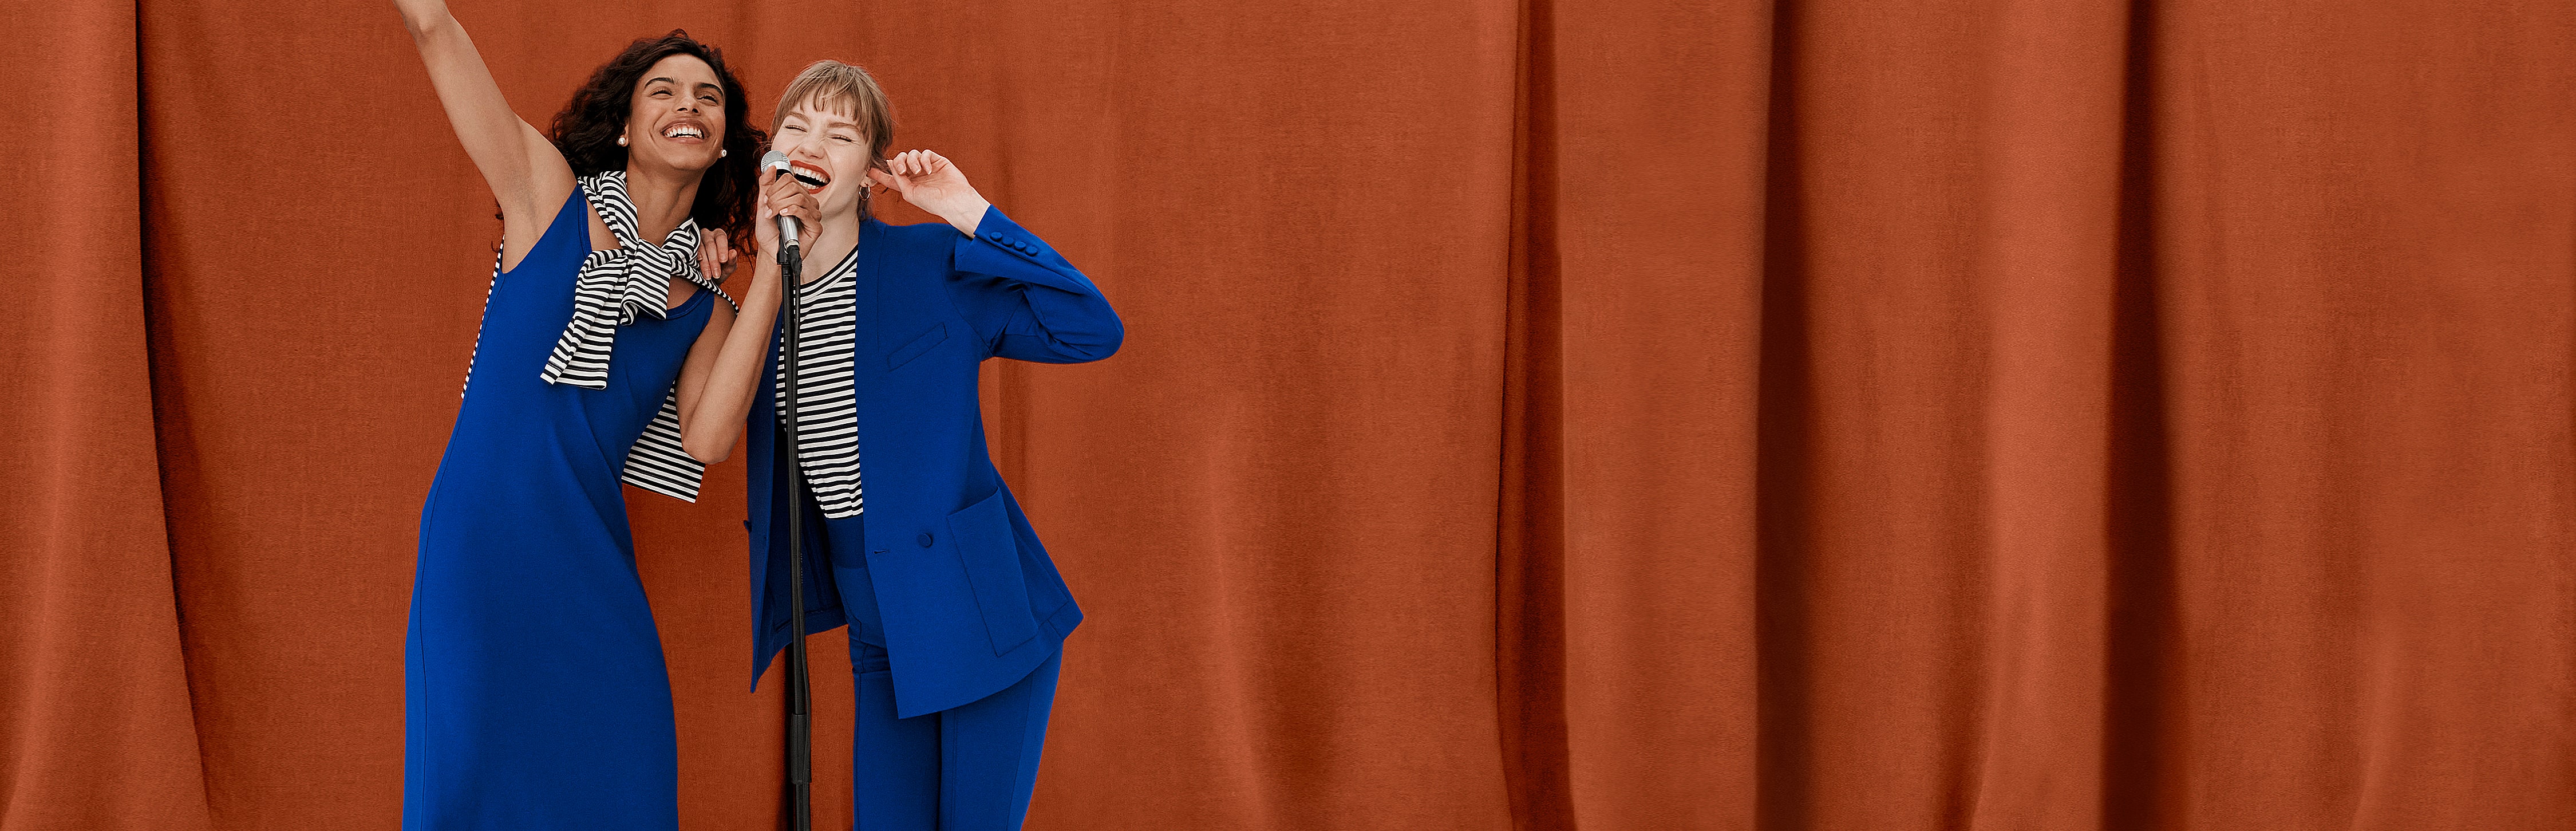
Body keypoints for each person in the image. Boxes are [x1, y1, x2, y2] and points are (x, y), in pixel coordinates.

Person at [688, 60, 1123, 829]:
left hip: (983, 612)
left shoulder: (929, 266)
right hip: (878, 630)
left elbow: (1090, 329)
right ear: (769, 160)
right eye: (797, 126)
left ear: (867, 175)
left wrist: (969, 212)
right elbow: (707, 435)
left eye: (842, 133)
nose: (814, 142)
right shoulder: (761, 300)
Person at [393, 3, 776, 826]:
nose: (688, 105)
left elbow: (710, 441)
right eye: (663, 91)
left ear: (723, 144)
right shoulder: (546, 202)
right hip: (482, 553)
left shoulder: (707, 307)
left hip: (593, 569)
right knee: (465, 785)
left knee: (625, 791)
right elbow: (434, 33)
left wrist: (772, 270)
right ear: (627, 129)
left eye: (709, 99)